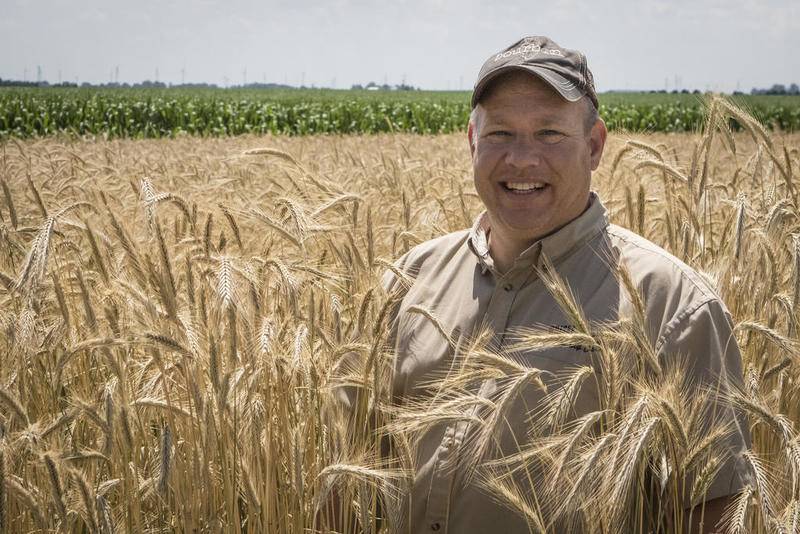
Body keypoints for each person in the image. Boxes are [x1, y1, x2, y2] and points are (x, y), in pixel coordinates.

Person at [334, 36, 748, 534]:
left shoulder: (673, 304)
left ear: (594, 146)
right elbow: (350, 474)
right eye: (501, 133)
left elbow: (714, 510)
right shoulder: (407, 281)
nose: (522, 159)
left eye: (549, 133)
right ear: (472, 141)